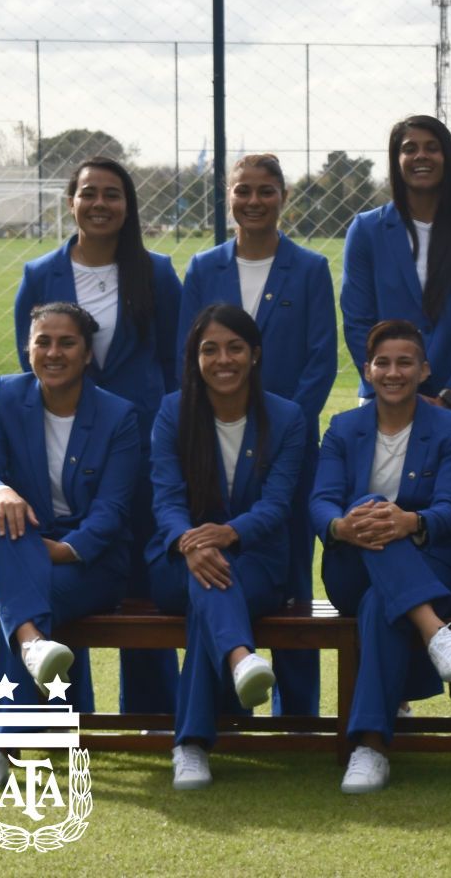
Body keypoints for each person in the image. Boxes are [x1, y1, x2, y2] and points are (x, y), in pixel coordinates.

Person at [341, 114, 451, 714]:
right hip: (386, 400)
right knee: (386, 529)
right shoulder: (367, 230)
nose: (419, 156)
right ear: (395, 159)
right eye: (408, 148)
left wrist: (449, 395)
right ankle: (405, 690)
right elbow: (358, 320)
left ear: (448, 156)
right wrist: (396, 387)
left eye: (430, 147)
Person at [13, 155, 181, 716]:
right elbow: (33, 361)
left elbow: (172, 360)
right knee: (68, 568)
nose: (100, 204)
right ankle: (65, 708)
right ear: (71, 202)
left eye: (113, 194)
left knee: (139, 575)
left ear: (128, 206)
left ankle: (153, 712)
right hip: (68, 450)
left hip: (140, 443)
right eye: (89, 193)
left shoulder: (155, 272)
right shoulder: (40, 274)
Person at [179, 152, 338, 718]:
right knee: (221, 564)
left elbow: (322, 362)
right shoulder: (202, 267)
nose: (253, 201)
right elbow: (189, 351)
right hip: (215, 445)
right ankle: (228, 704)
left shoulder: (311, 267)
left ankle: (298, 713)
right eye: (242, 191)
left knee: (291, 575)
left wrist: (278, 427)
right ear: (228, 198)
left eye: (265, 191)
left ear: (283, 197)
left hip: (285, 448)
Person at [311, 319, 451, 794]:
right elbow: (321, 501)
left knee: (378, 608)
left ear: (424, 370)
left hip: (431, 563)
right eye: (382, 363)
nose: (393, 372)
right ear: (367, 370)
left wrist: (411, 522)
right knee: (363, 507)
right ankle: (435, 631)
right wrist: (343, 526)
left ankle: (369, 749)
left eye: (405, 362)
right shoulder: (343, 427)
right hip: (350, 564)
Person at [0, 304, 142, 781]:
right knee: (3, 521)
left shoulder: (118, 415)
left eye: (66, 342)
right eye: (42, 341)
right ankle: (33, 651)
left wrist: (62, 551)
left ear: (87, 354)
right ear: (28, 348)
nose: (53, 352)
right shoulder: (6, 396)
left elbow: (112, 511)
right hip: (15, 545)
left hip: (91, 563)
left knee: (26, 601)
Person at [150, 304, 306, 790]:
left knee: (212, 592)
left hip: (257, 562)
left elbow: (278, 504)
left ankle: (191, 745)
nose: (223, 359)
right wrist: (188, 542)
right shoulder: (172, 412)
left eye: (235, 347)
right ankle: (241, 659)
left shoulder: (286, 417)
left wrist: (224, 534)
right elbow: (167, 496)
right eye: (210, 349)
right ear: (195, 358)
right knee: (207, 579)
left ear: (255, 354)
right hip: (176, 561)